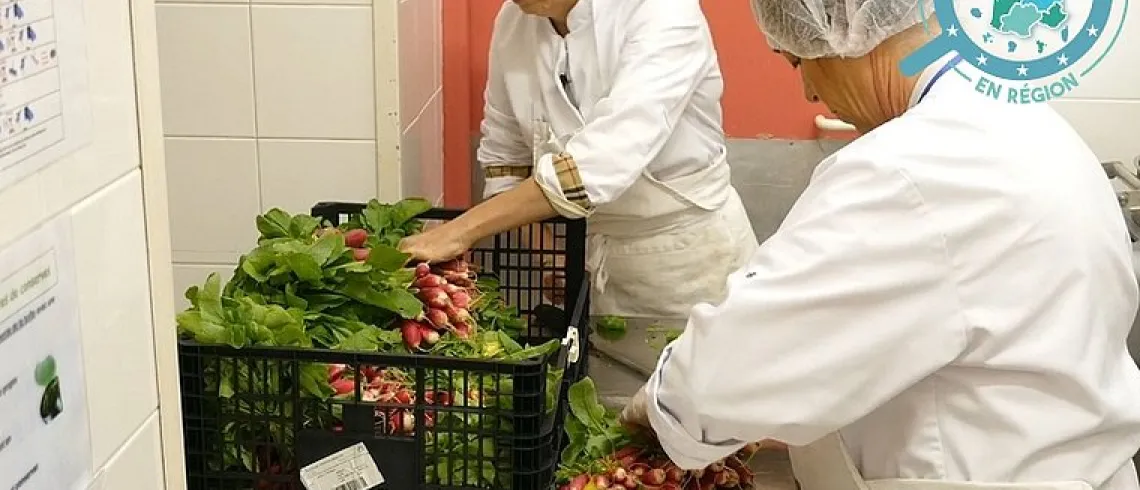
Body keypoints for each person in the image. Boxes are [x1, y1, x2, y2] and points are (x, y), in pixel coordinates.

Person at [620, 0, 1140, 488]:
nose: (809, 94)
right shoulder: (1019, 118)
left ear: (843, 34)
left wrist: (658, 405)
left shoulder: (910, 169)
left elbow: (724, 376)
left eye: (799, 62)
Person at [397, 0, 759, 318]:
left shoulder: (661, 12)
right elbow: (504, 161)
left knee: (691, 390)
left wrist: (458, 232)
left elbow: (599, 164)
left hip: (688, 262)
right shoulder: (513, 23)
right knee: (601, 393)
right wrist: (551, 255)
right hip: (589, 263)